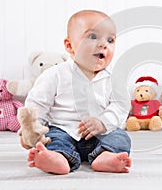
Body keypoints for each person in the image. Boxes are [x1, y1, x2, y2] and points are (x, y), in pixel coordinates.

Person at [20, 10, 132, 174]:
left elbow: (121, 106)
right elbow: (37, 104)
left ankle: (105, 157)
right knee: (52, 139)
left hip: (101, 135)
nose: (103, 44)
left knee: (121, 137)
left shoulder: (114, 79)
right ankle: (57, 158)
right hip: (63, 130)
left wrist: (103, 122)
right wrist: (32, 130)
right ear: (69, 45)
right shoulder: (55, 74)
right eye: (93, 37)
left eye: (110, 40)